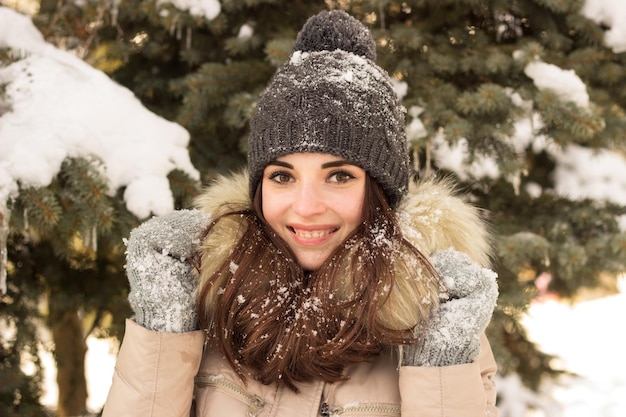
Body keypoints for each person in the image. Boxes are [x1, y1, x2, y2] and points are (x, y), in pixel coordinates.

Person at [102, 10, 499, 417]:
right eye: (282, 176)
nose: (306, 207)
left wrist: (439, 369)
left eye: (339, 176)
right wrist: (164, 331)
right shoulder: (207, 299)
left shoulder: (435, 318)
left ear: (382, 192)